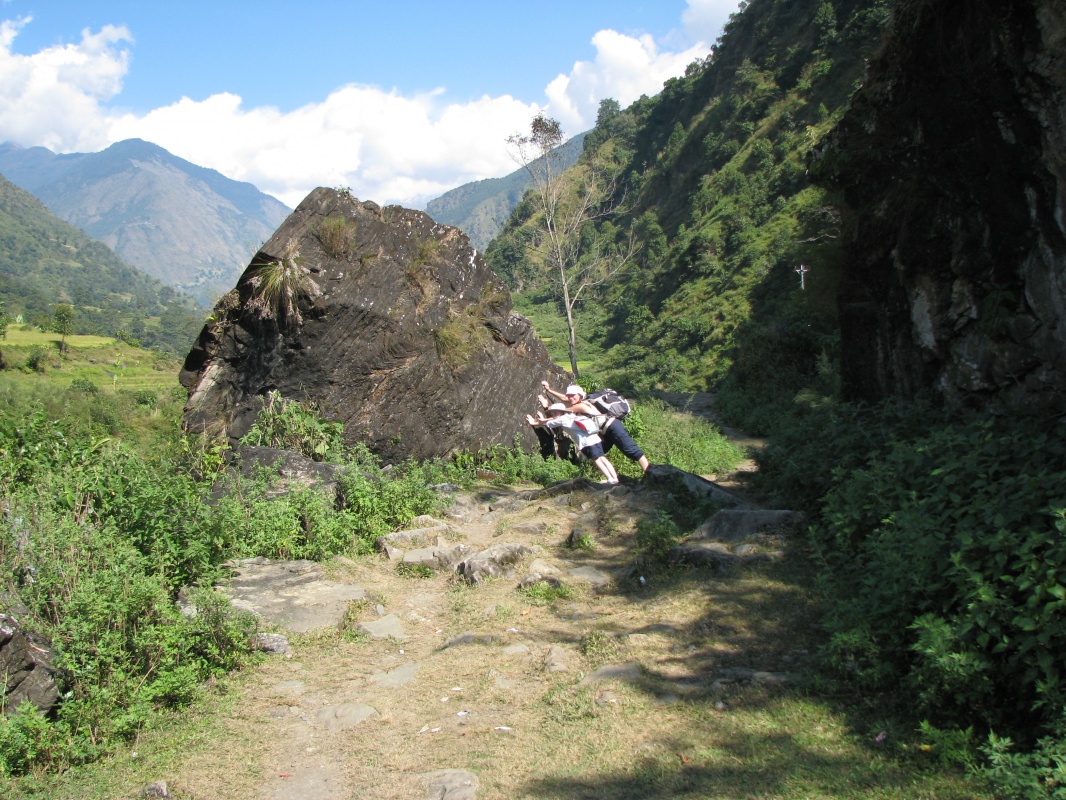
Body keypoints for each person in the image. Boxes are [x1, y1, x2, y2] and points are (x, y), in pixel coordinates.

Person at [541, 381, 651, 472]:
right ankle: (611, 477)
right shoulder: (583, 401)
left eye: (573, 395)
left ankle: (649, 473)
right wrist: (549, 390)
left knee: (630, 449)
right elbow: (565, 398)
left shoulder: (581, 406)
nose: (570, 398)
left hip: (612, 426)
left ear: (579, 395)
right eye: (569, 395)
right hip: (605, 431)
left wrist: (547, 407)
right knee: (596, 452)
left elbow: (561, 416)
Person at [526, 403, 619, 484]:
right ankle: (614, 478)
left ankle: (610, 479)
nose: (553, 414)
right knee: (602, 458)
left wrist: (535, 422)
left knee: (597, 459)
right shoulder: (570, 416)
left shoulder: (561, 420)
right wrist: (544, 419)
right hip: (595, 439)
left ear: (561, 412)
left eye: (555, 412)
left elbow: (549, 424)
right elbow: (552, 420)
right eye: (552, 413)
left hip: (586, 442)